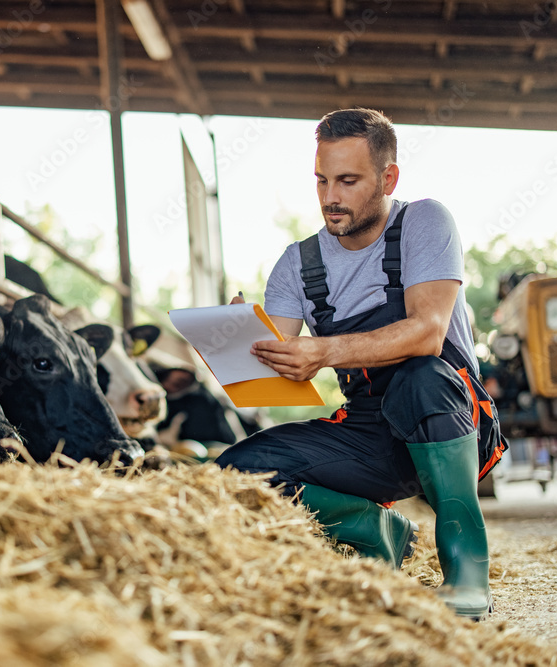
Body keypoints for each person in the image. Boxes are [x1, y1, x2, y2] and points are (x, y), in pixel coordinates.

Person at [215, 108, 508, 621]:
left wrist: (323, 351)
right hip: (371, 429)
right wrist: (241, 343)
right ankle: (375, 530)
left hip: (453, 413)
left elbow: (427, 332)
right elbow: (274, 368)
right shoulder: (297, 264)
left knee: (421, 378)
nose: (331, 197)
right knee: (236, 472)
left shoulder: (425, 221)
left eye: (348, 181)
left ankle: (466, 572)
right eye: (322, 180)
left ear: (387, 177)